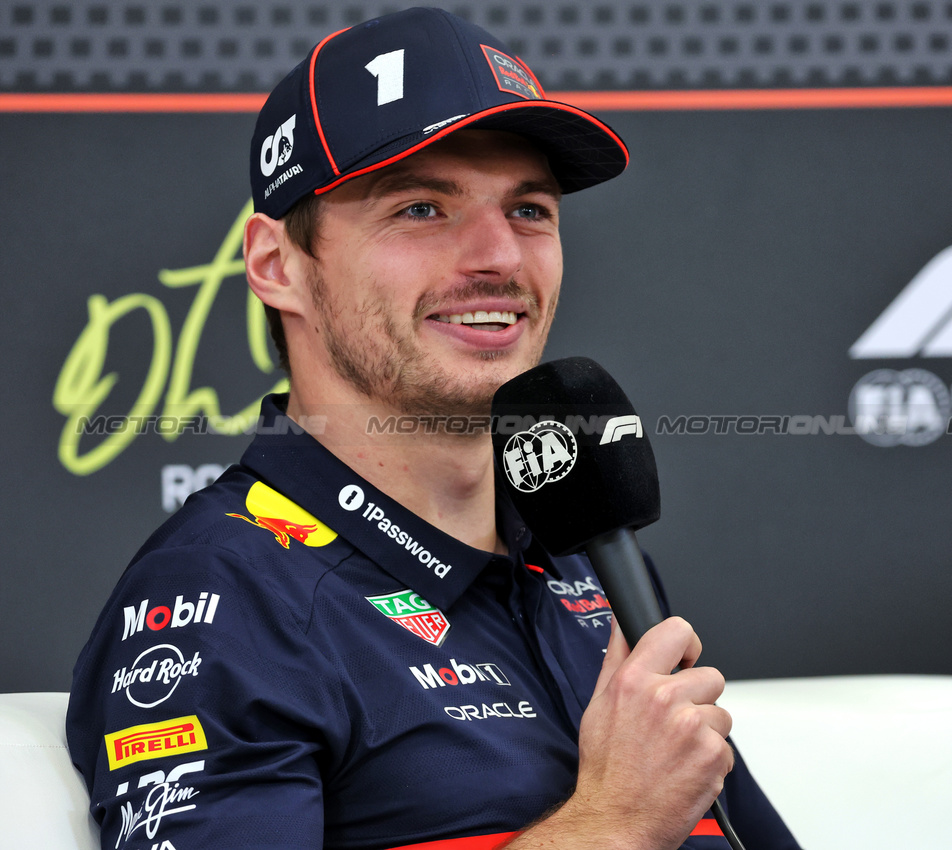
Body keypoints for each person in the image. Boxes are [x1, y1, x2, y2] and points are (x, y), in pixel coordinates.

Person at [66, 8, 801, 850]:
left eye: (530, 210)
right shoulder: (224, 597)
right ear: (277, 265)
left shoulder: (589, 563)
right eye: (421, 208)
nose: (500, 257)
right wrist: (613, 822)